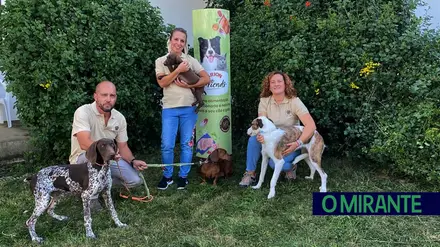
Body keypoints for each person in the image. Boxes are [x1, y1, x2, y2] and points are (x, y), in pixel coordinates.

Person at [239, 71, 317, 187]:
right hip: (271, 139)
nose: (276, 84)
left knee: (275, 164)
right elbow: (262, 123)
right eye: (272, 82)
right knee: (253, 139)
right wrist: (260, 136)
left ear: (285, 84)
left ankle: (291, 167)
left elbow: (311, 126)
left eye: (279, 81)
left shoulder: (294, 101)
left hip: (289, 141)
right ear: (269, 86)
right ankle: (250, 173)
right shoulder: (265, 101)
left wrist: (298, 143)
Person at [155, 27, 210, 190]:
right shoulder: (161, 61)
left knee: (187, 144)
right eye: (176, 39)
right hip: (169, 109)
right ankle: (167, 176)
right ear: (170, 40)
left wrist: (190, 84)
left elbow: (206, 79)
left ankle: (183, 176)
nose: (178, 43)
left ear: (185, 44)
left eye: (182, 41)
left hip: (189, 108)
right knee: (167, 144)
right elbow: (162, 83)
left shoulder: (190, 60)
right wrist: (178, 70)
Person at [69, 81, 148, 189]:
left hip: (108, 158)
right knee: (92, 160)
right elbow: (84, 143)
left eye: (112, 96)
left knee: (135, 180)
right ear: (95, 96)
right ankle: (91, 195)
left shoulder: (119, 118)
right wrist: (111, 154)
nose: (108, 99)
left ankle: (101, 185)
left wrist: (132, 161)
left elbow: (123, 147)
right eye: (104, 95)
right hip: (84, 157)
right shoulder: (83, 112)